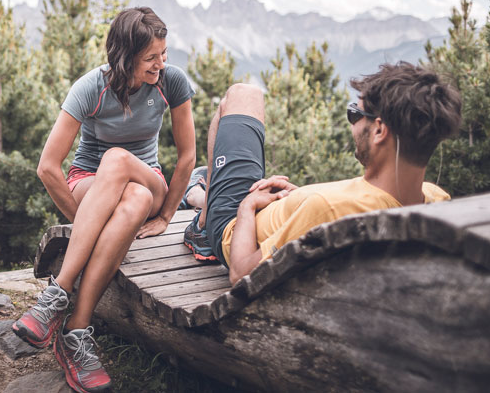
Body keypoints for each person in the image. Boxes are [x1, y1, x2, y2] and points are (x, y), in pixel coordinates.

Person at [13, 6, 196, 393]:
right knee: (128, 200)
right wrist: (91, 220)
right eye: (151, 58)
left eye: (164, 54)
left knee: (117, 161)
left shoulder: (172, 82)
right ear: (125, 56)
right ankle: (76, 333)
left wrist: (165, 216)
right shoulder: (90, 87)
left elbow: (187, 157)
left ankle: (54, 296)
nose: (161, 64)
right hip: (93, 184)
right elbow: (48, 167)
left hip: (150, 181)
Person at [184, 62, 461, 284]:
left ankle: (203, 217)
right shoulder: (435, 199)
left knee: (243, 94)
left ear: (379, 131)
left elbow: (241, 272)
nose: (352, 126)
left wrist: (247, 206)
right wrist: (296, 201)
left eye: (355, 114)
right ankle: (199, 189)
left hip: (234, 226)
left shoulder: (327, 210)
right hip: (282, 209)